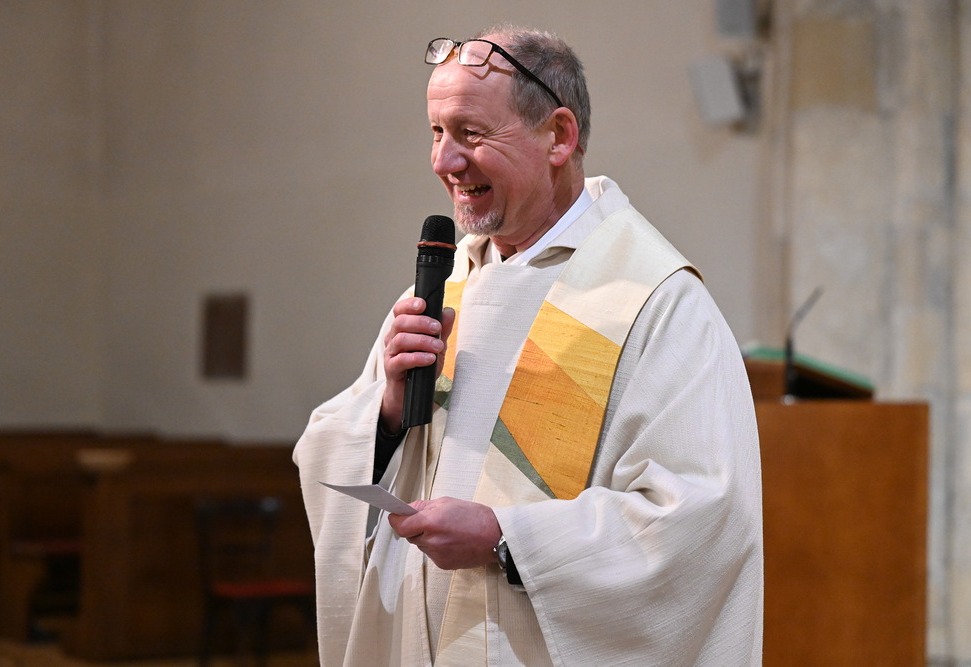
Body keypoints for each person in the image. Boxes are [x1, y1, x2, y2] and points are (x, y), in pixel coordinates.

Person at [294, 24, 763, 666]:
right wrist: (388, 415)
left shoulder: (652, 301)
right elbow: (329, 451)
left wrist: (505, 537)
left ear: (559, 137)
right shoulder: (444, 287)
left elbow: (700, 520)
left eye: (470, 133)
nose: (444, 161)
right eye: (436, 132)